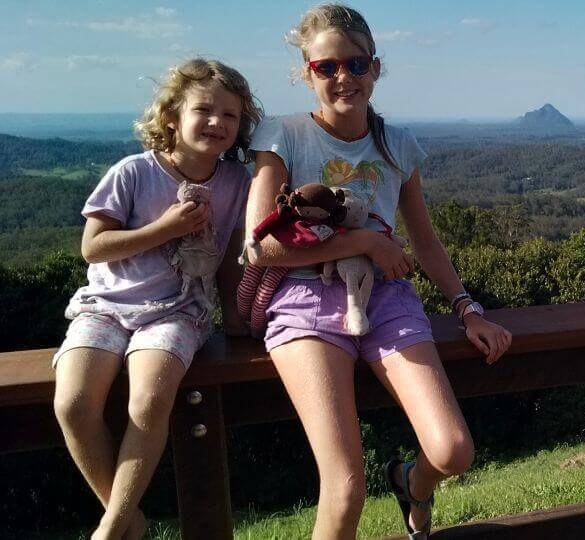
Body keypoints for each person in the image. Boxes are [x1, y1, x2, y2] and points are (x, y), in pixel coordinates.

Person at [245, 4, 512, 539]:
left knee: (453, 450)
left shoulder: (397, 145)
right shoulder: (284, 135)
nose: (343, 77)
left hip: (387, 298)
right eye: (327, 67)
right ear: (307, 72)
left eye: (356, 64)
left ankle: (412, 483)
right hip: (305, 303)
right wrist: (364, 239)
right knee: (344, 488)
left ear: (376, 67)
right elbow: (260, 247)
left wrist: (467, 309)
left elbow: (426, 241)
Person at [52, 58, 261, 539]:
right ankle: (127, 518)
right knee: (73, 404)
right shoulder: (133, 172)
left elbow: (231, 255)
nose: (217, 122)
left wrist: (234, 319)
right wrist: (164, 229)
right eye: (204, 109)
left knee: (149, 400)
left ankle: (109, 531)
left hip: (180, 310)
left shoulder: (236, 184)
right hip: (106, 304)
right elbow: (93, 246)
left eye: (230, 115)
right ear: (171, 117)